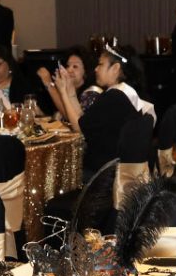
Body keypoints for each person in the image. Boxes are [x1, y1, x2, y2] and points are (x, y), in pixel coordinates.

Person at [76, 45, 156, 178]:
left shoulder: (114, 97)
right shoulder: (128, 93)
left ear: (115, 68)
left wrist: (64, 92)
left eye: (100, 65)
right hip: (123, 167)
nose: (96, 69)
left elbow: (81, 127)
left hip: (106, 173)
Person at [37, 47, 94, 132]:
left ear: (86, 72)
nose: (69, 70)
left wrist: (49, 84)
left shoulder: (90, 94)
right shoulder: (64, 89)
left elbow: (69, 117)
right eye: (67, 66)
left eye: (75, 66)